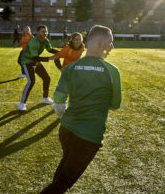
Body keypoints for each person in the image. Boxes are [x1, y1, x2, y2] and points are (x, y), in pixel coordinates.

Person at [40, 25, 122, 193]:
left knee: (64, 169)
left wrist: (65, 119)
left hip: (66, 130)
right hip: (88, 137)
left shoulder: (70, 68)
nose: (112, 46)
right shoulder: (112, 71)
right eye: (110, 42)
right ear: (100, 43)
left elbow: (58, 102)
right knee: (62, 184)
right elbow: (115, 104)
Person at [18, 25, 59, 111]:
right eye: (43, 31)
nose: (45, 33)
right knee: (31, 82)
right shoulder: (33, 42)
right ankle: (22, 103)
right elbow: (34, 58)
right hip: (27, 61)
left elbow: (50, 49)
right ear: (38, 32)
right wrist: (49, 58)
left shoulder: (46, 40)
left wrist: (62, 52)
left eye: (46, 31)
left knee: (47, 78)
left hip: (35, 61)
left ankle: (45, 98)